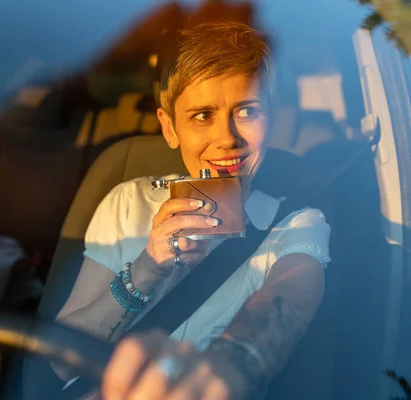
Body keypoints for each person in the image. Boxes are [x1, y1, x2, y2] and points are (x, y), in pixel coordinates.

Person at [55, 21, 331, 399]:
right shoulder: (129, 201)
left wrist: (231, 363)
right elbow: (61, 361)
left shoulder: (297, 224)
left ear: (272, 115)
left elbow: (291, 294)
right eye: (202, 115)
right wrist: (147, 267)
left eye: (247, 111)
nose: (226, 138)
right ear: (170, 129)